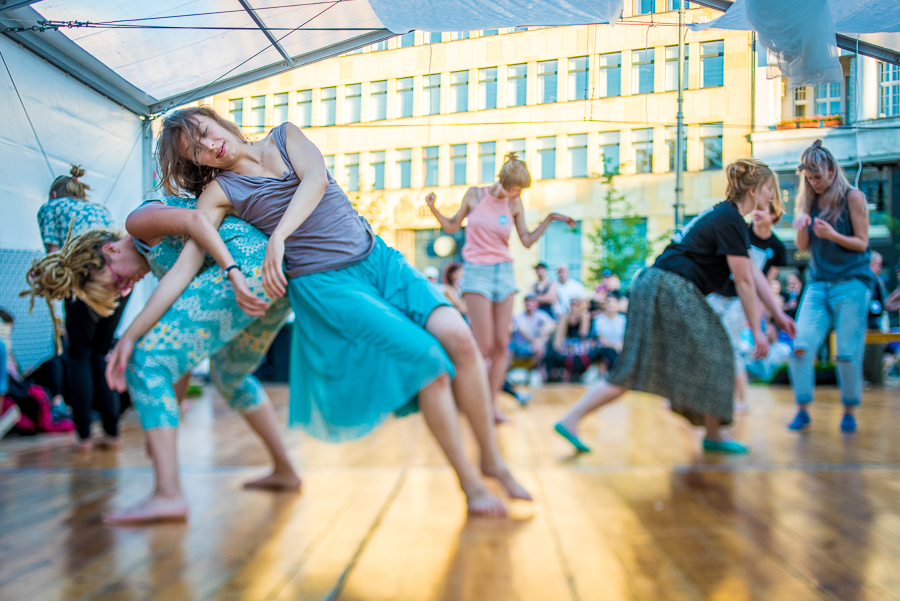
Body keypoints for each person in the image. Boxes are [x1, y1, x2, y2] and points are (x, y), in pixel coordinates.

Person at [153, 107, 530, 517]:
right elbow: (185, 266)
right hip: (327, 284)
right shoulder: (219, 192)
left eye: (205, 132)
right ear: (196, 163)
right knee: (429, 364)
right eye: (196, 151)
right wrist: (138, 333)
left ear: (218, 121)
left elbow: (317, 178)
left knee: (461, 339)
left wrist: (279, 236)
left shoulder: (284, 136)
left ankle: (492, 460)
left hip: (378, 258)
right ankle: (471, 485)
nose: (209, 146)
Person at [25, 197, 302, 524]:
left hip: (246, 266)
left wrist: (231, 269)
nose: (126, 288)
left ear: (110, 250)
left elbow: (197, 219)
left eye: (117, 281)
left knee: (143, 362)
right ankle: (285, 470)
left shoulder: (139, 222)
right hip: (272, 275)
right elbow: (183, 358)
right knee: (230, 376)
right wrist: (164, 426)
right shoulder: (160, 267)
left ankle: (168, 495)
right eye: (120, 290)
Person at [554, 159, 796, 455]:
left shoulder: (728, 217)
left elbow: (754, 274)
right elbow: (744, 281)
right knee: (707, 352)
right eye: (770, 188)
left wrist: (778, 314)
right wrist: (757, 330)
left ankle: (711, 430)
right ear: (755, 190)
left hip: (659, 284)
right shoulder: (730, 219)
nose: (773, 196)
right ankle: (710, 431)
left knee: (701, 354)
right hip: (669, 286)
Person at [426, 152, 574, 424]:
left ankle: (490, 406)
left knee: (502, 345)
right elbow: (452, 226)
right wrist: (433, 208)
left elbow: (526, 240)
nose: (517, 193)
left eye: (520, 190)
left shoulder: (515, 202)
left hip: (504, 273)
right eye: (514, 188)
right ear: (503, 182)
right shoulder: (475, 195)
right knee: (483, 345)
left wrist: (550, 218)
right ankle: (461, 397)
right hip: (477, 273)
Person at [36, 165, 126, 451]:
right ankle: (112, 432)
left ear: (54, 194)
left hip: (85, 280)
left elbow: (54, 258)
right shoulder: (99, 209)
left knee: (78, 355)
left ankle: (84, 436)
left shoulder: (51, 208)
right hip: (121, 281)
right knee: (99, 355)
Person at [788, 141, 873, 433]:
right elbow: (803, 247)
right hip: (817, 284)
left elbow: (862, 243)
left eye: (818, 177)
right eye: (809, 178)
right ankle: (802, 409)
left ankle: (849, 410)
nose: (814, 182)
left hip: (852, 282)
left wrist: (833, 234)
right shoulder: (808, 200)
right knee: (800, 346)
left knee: (847, 352)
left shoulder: (853, 197)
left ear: (832, 171)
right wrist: (801, 224)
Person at [706, 195, 787, 413]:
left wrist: (757, 317)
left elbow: (765, 285)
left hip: (741, 300)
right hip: (718, 292)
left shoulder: (777, 249)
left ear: (774, 215)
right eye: (756, 209)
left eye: (762, 210)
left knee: (730, 345)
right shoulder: (741, 231)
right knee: (704, 338)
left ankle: (741, 399)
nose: (756, 213)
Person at [546, 298, 617, 383]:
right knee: (550, 356)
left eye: (576, 304)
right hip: (568, 350)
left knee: (605, 353)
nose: (574, 307)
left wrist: (583, 317)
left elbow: (583, 335)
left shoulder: (585, 316)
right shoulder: (565, 317)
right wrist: (564, 320)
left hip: (583, 350)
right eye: (572, 304)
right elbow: (558, 341)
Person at [509, 295, 555, 370]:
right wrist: (536, 340)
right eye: (527, 301)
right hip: (521, 346)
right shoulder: (518, 316)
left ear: (536, 304)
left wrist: (540, 337)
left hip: (537, 344)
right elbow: (522, 331)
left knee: (542, 342)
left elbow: (551, 325)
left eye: (531, 301)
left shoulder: (541, 315)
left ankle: (537, 369)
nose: (528, 303)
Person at [863, 251, 889, 385]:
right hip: (865, 324)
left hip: (875, 324)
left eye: (880, 264)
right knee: (868, 354)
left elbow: (881, 305)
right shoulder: (865, 281)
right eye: (877, 264)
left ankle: (875, 381)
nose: (879, 267)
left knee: (876, 354)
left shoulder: (877, 281)